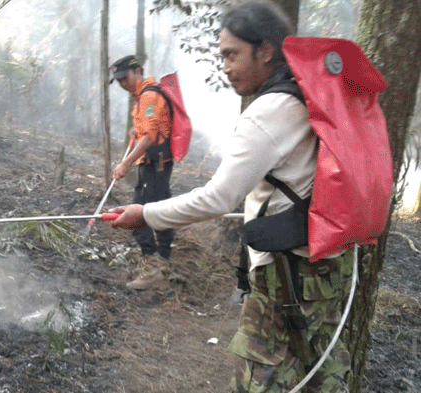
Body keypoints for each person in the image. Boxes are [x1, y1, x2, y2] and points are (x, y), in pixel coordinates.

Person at [108, 2, 353, 391]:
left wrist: (146, 213)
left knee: (257, 377)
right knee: (320, 369)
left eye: (231, 54)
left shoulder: (270, 111)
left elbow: (218, 198)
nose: (223, 66)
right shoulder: (309, 95)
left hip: (285, 273)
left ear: (266, 51)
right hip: (325, 265)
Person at [109, 55, 176, 290]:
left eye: (124, 78)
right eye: (117, 81)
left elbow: (149, 137)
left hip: (154, 163)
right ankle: (162, 263)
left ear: (137, 71)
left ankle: (154, 266)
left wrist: (125, 163)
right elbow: (144, 131)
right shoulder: (141, 97)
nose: (122, 84)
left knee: (140, 215)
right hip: (153, 164)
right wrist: (133, 134)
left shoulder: (149, 96)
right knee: (159, 209)